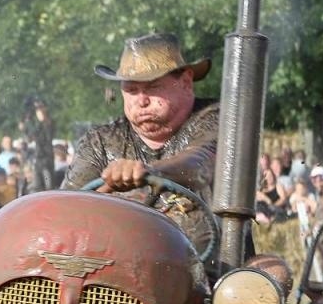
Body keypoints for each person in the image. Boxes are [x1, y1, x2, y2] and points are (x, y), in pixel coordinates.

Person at [61, 33, 218, 253]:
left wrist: (146, 172)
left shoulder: (216, 120)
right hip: (120, 271)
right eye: (132, 91)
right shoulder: (100, 142)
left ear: (185, 83)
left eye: (153, 88)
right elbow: (65, 209)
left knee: (271, 271)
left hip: (208, 275)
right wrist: (103, 192)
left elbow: (201, 162)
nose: (142, 101)